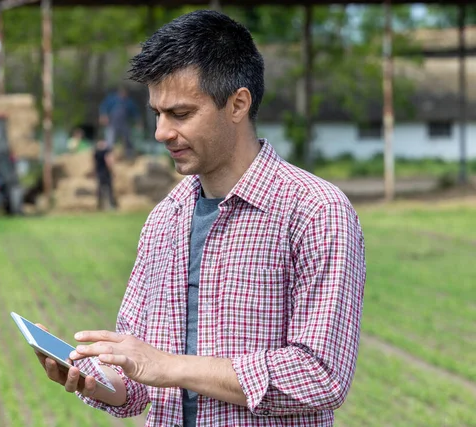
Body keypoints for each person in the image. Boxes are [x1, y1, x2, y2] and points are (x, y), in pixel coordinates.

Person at [35, 10, 366, 427]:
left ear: (238, 104)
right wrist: (96, 380)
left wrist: (170, 366)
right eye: (157, 113)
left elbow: (321, 376)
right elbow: (138, 383)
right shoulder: (164, 219)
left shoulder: (316, 211)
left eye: (180, 114)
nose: (161, 132)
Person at [99, 86, 140, 159]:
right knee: (110, 141)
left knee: (128, 139)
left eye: (125, 93)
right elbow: (103, 107)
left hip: (124, 124)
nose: (123, 95)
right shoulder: (112, 99)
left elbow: (135, 113)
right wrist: (103, 116)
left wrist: (138, 122)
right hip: (112, 124)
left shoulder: (129, 102)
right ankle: (108, 157)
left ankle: (129, 156)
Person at [93, 138, 117, 211]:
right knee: (109, 189)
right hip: (105, 172)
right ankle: (111, 205)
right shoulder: (106, 151)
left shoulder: (96, 152)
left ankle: (99, 205)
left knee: (100, 189)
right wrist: (112, 170)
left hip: (99, 172)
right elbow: (108, 161)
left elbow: (93, 163)